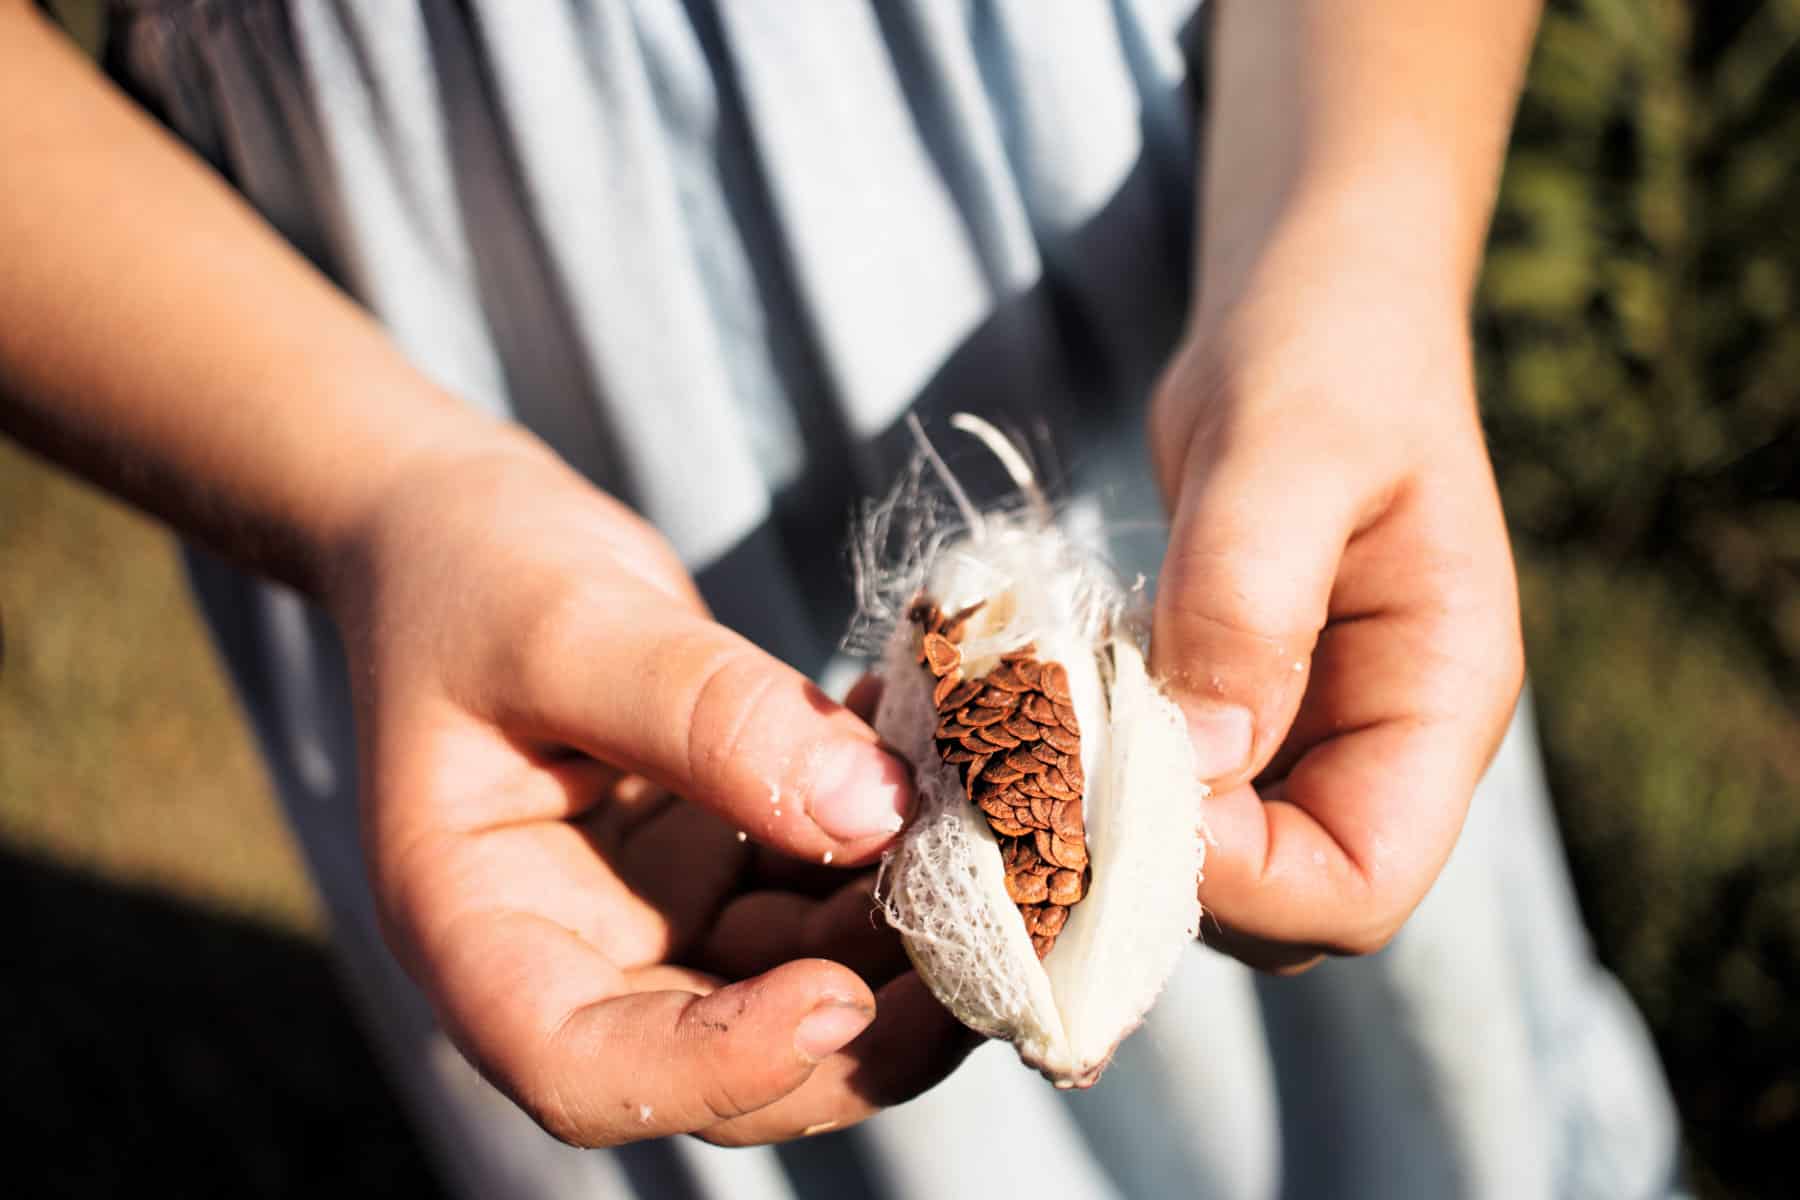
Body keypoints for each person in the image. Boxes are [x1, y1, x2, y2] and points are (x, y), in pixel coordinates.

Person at [1, 1, 1681, 1195]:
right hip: (378, 348)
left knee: (1407, 1097)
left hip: (1146, 215)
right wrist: (381, 505)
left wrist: (1358, 245)